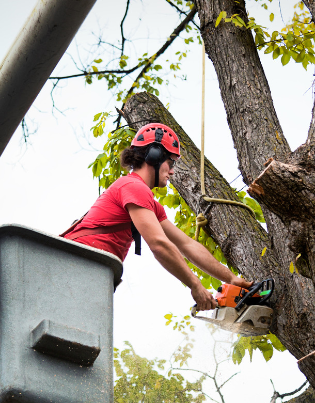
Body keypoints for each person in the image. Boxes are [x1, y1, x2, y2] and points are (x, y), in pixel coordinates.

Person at [63, 123, 251, 311]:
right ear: (154, 156)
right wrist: (195, 285)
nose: (172, 171)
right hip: (73, 264)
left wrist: (231, 278)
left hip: (89, 269)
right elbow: (159, 244)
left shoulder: (149, 204)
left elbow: (187, 244)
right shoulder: (134, 187)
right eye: (170, 163)